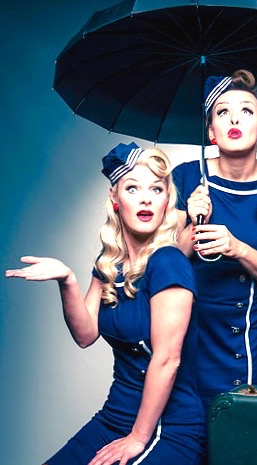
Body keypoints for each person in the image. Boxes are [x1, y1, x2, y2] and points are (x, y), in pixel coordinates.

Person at [5, 143, 205, 465]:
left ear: (167, 199)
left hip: (165, 427)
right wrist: (67, 280)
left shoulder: (169, 262)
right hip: (115, 417)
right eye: (133, 188)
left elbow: (167, 360)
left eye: (156, 189)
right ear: (115, 198)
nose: (145, 198)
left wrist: (137, 438)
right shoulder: (110, 264)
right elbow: (85, 335)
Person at [173, 69, 257, 410]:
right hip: (188, 330)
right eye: (222, 112)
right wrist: (191, 222)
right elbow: (163, 265)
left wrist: (237, 248)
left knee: (242, 430)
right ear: (210, 131)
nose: (234, 119)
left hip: (245, 336)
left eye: (246, 110)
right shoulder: (186, 176)